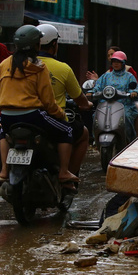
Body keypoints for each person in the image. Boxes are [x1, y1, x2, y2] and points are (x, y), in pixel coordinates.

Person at [0, 25, 78, 186]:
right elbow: (48, 101)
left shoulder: (6, 64)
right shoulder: (39, 67)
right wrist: (61, 114)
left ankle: (4, 171)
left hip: (7, 117)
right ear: (36, 45)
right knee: (67, 130)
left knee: (3, 134)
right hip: (32, 116)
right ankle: (63, 172)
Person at [36, 23, 92, 181]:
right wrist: (87, 104)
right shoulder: (63, 68)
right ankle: (67, 176)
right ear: (54, 44)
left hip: (17, 115)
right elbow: (79, 98)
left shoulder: (19, 65)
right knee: (83, 133)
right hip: (51, 117)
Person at [91, 51, 138, 137]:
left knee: (126, 117)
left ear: (123, 63)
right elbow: (97, 87)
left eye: (118, 62)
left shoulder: (129, 76)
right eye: (114, 61)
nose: (116, 64)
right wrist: (91, 92)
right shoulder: (106, 76)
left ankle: (128, 139)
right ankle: (96, 140)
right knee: (96, 116)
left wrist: (133, 92)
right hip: (106, 104)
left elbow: (136, 88)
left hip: (124, 104)